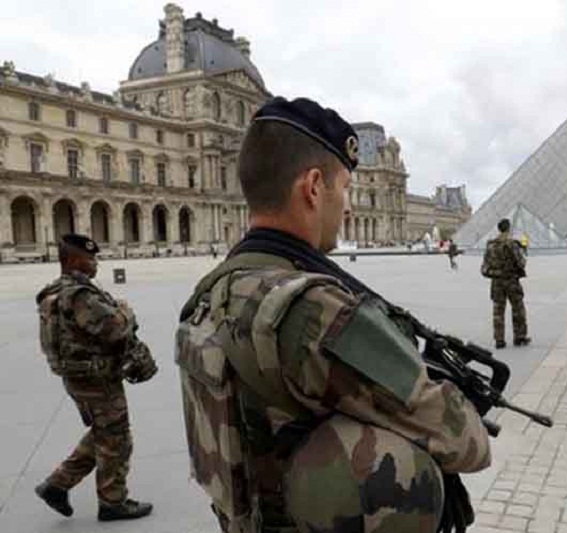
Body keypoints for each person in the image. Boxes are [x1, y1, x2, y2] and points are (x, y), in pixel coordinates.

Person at [175, 97, 491, 533]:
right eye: (343, 187)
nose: (347, 207)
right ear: (313, 187)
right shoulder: (313, 312)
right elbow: (465, 443)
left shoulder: (211, 292)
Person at [34, 234, 153, 522]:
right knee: (117, 438)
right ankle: (113, 502)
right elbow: (115, 328)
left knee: (104, 431)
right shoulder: (80, 295)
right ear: (75, 260)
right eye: (91, 258)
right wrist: (125, 311)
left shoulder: (53, 291)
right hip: (96, 379)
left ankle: (57, 485)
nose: (95, 263)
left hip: (78, 377)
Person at [481, 219, 531, 349]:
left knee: (498, 311)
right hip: (511, 280)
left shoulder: (490, 245)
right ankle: (520, 337)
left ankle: (499, 340)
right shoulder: (511, 244)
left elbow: (485, 265)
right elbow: (521, 263)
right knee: (518, 309)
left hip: (496, 282)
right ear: (508, 228)